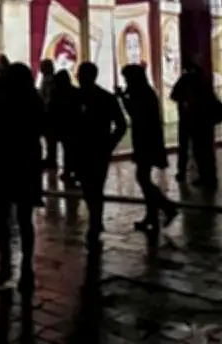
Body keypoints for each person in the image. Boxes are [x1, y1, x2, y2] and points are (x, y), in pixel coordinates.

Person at [0, 62, 43, 294]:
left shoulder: (2, 99)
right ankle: (24, 265)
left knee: (1, 217)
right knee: (24, 218)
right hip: (23, 162)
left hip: (2, 161)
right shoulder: (32, 100)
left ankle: (8, 262)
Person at [118, 64, 178, 235]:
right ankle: (152, 215)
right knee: (143, 177)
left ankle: (166, 207)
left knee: (142, 177)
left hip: (146, 141)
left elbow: (135, 113)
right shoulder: (145, 91)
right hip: (146, 140)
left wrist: (123, 99)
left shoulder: (143, 93)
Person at [74, 62, 127, 249]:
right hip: (81, 149)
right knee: (88, 188)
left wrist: (110, 143)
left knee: (95, 186)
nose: (78, 77)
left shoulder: (105, 98)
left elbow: (121, 124)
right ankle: (95, 217)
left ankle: (95, 221)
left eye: (82, 74)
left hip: (98, 148)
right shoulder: (76, 97)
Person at [38, 59, 56, 168]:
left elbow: (48, 97)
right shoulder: (48, 80)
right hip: (49, 112)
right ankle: (50, 158)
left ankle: (51, 159)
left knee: (50, 138)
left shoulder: (48, 81)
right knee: (50, 138)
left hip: (48, 113)